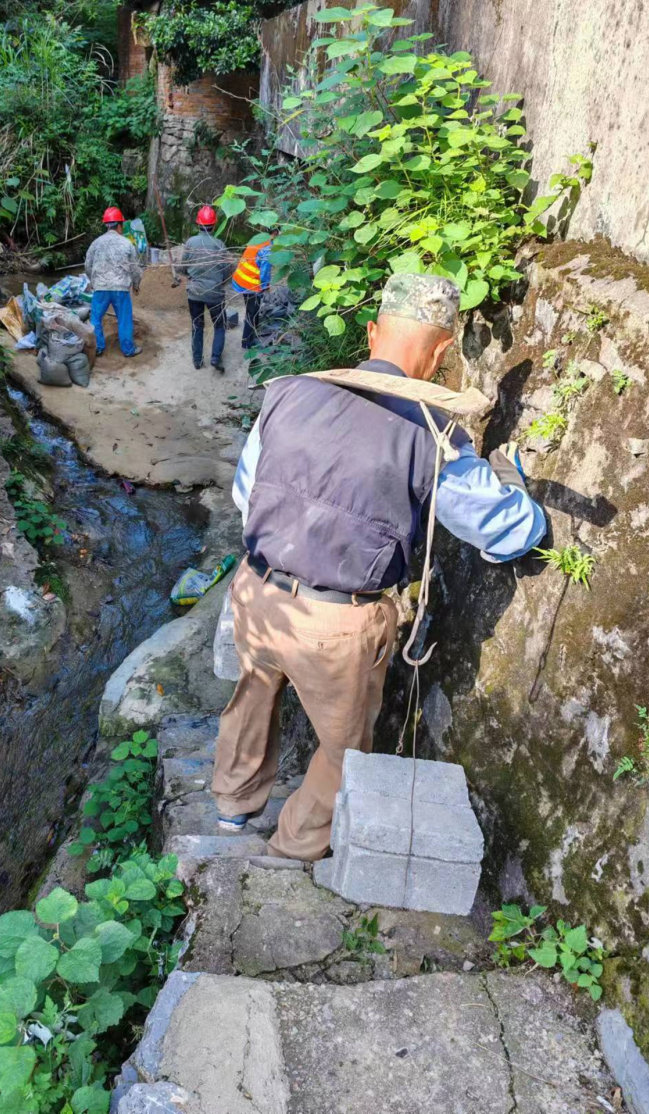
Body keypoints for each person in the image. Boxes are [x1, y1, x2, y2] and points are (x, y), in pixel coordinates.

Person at [212, 273, 546, 862]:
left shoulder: (288, 393)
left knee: (253, 692)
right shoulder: (433, 432)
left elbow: (246, 495)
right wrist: (517, 489)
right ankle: (293, 849)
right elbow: (509, 533)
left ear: (371, 332)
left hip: (256, 592)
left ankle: (232, 806)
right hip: (336, 622)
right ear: (443, 352)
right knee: (344, 749)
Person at [179, 206, 233, 373]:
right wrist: (220, 282)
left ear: (198, 224)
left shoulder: (190, 243)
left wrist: (189, 274)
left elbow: (183, 267)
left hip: (194, 292)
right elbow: (228, 268)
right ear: (214, 225)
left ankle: (197, 361)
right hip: (215, 293)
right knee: (219, 326)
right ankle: (215, 357)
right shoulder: (219, 245)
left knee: (197, 325)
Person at [85, 207, 143, 358]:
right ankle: (128, 350)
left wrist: (93, 281)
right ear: (119, 225)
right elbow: (135, 269)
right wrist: (136, 285)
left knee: (96, 319)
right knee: (124, 320)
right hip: (120, 289)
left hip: (101, 288)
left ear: (106, 225)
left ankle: (98, 348)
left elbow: (88, 265)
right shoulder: (127, 244)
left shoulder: (96, 243)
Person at [231, 236, 272, 349]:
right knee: (251, 312)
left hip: (241, 279)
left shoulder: (259, 239)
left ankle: (255, 327)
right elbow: (264, 274)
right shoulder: (268, 249)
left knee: (252, 308)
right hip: (251, 284)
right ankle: (246, 342)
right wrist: (265, 287)